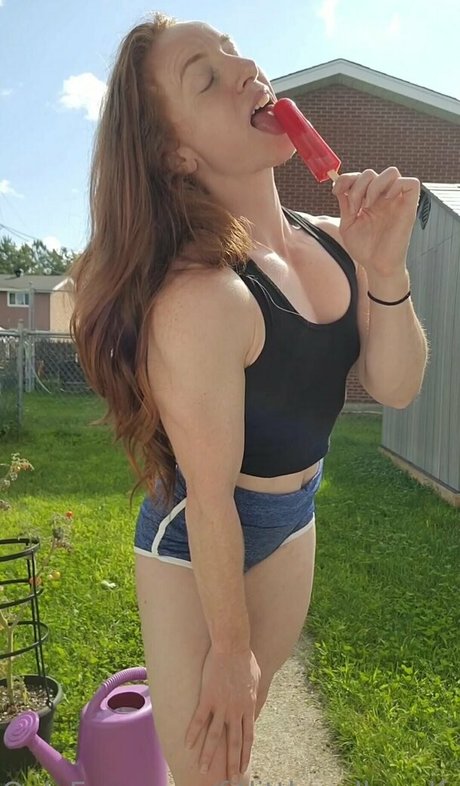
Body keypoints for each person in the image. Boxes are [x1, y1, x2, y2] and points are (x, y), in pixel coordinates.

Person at [69, 11, 427, 786]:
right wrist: (230, 652)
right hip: (198, 533)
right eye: (206, 76)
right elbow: (209, 498)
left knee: (239, 739)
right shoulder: (202, 296)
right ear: (177, 154)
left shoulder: (337, 238)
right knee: (210, 767)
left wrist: (387, 272)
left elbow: (397, 386)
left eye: (232, 51)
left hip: (294, 514)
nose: (243, 68)